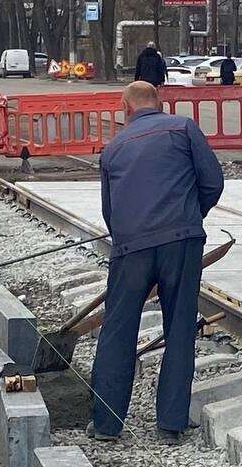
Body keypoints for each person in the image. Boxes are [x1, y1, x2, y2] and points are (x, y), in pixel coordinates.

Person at [88, 81, 224, 445]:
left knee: (118, 328)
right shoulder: (183, 128)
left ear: (126, 109)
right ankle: (171, 423)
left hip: (131, 246)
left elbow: (109, 210)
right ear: (159, 103)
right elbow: (212, 182)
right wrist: (191, 216)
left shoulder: (113, 148)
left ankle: (106, 423)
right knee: (179, 326)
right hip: (181, 241)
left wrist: (128, 238)